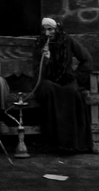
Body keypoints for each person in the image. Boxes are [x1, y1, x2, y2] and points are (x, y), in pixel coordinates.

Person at [30, 17, 93, 152]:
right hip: (48, 81)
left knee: (72, 92)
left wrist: (76, 76)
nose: (47, 34)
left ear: (57, 29)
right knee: (47, 89)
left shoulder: (67, 40)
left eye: (50, 29)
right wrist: (45, 60)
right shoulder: (39, 43)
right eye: (44, 30)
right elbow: (37, 71)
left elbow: (86, 58)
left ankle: (72, 143)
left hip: (66, 80)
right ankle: (54, 144)